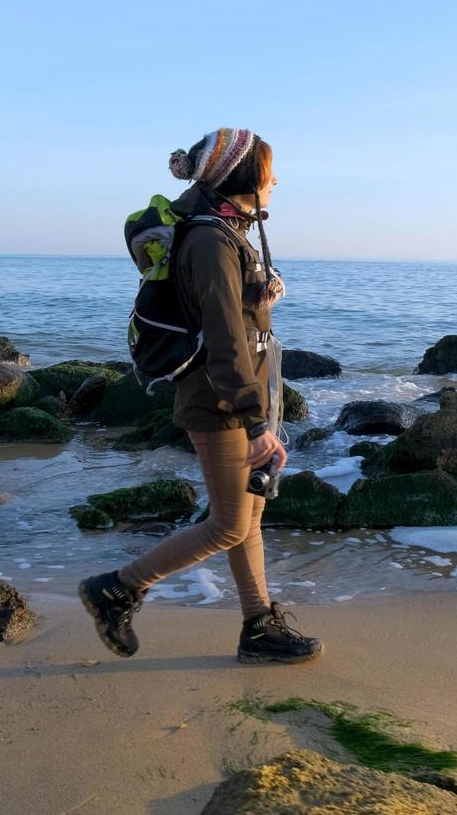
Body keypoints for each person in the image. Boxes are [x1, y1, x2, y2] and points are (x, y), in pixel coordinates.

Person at [78, 128, 323, 666]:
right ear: (242, 178)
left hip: (241, 394)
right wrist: (256, 422)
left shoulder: (230, 232)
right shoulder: (211, 240)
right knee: (231, 523)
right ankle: (118, 588)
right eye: (268, 172)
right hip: (218, 398)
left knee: (247, 518)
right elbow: (223, 336)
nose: (276, 181)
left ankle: (259, 625)